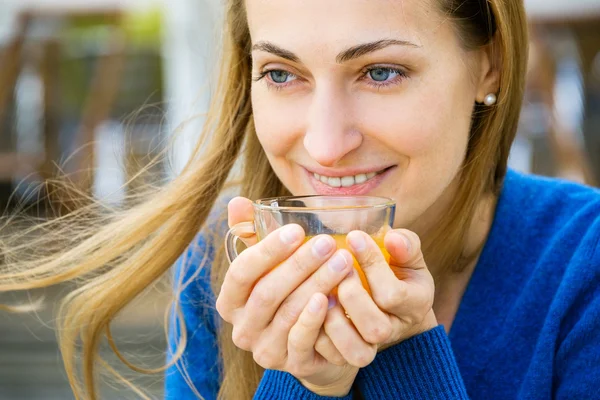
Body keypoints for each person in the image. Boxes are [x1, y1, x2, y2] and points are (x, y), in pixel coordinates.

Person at [1, 0, 599, 399]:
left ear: (489, 66)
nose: (325, 144)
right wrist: (301, 381)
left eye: (381, 72)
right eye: (282, 75)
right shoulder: (217, 263)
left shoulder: (583, 267)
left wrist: (406, 354)